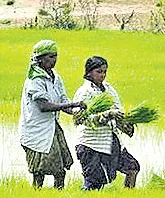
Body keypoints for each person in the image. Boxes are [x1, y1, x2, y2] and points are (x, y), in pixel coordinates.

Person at [19, 39, 85, 189]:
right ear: (40, 58)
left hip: (52, 128)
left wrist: (77, 112)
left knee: (60, 170)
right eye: (50, 56)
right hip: (36, 131)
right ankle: (36, 197)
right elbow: (44, 106)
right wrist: (72, 104)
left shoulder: (55, 76)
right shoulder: (34, 80)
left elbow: (62, 100)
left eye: (55, 56)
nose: (54, 60)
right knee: (38, 172)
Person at [73, 56, 140, 190]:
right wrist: (107, 115)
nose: (102, 75)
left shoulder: (109, 89)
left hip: (112, 141)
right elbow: (81, 119)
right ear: (89, 72)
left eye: (104, 72)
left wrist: (126, 122)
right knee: (94, 182)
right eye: (99, 72)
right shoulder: (84, 92)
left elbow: (118, 110)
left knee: (132, 167)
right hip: (91, 144)